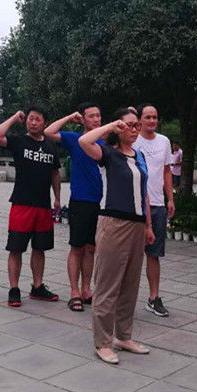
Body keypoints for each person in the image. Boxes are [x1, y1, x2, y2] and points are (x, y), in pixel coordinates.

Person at [79, 108, 156, 364]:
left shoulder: (139, 156)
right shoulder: (108, 154)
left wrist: (148, 226)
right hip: (113, 224)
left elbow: (144, 193)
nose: (134, 129)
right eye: (128, 125)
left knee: (130, 285)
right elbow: (84, 141)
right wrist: (111, 126)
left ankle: (124, 336)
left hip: (137, 225)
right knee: (108, 284)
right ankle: (102, 342)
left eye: (136, 125)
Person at [0, 106, 61, 307]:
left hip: (43, 206)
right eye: (30, 118)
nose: (33, 122)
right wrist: (15, 117)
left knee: (40, 249)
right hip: (21, 205)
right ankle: (14, 289)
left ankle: (37, 286)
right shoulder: (19, 141)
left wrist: (57, 198)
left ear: (45, 123)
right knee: (16, 249)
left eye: (38, 119)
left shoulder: (50, 146)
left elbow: (55, 173)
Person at [44, 102, 102, 312]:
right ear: (83, 119)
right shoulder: (74, 139)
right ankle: (74, 292)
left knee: (91, 249)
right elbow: (49, 132)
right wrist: (69, 117)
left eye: (98, 115)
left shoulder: (105, 140)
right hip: (80, 201)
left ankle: (86, 290)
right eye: (91, 116)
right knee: (77, 248)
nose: (96, 119)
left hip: (100, 202)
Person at [132, 103, 176, 317]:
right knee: (128, 255)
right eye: (147, 117)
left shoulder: (164, 141)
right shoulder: (131, 140)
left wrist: (170, 198)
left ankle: (154, 298)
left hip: (157, 205)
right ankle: (123, 297)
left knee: (154, 254)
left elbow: (167, 171)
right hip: (132, 205)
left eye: (155, 117)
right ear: (139, 119)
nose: (152, 121)